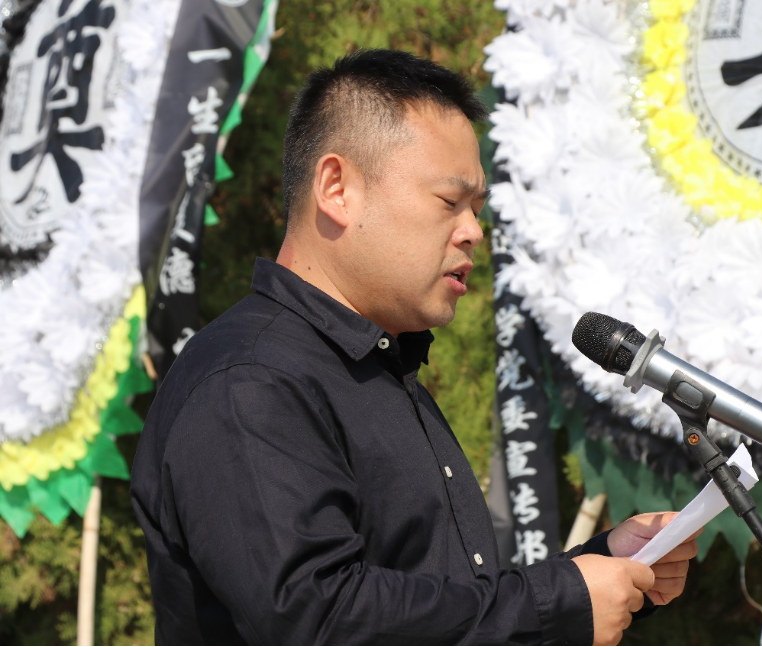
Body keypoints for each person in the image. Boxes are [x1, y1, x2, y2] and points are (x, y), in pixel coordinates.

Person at [131, 49, 700, 646]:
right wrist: (558, 604)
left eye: (477, 209)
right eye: (449, 202)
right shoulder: (249, 379)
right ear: (336, 188)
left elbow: (440, 602)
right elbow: (316, 618)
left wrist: (602, 568)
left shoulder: (379, 366)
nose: (473, 231)